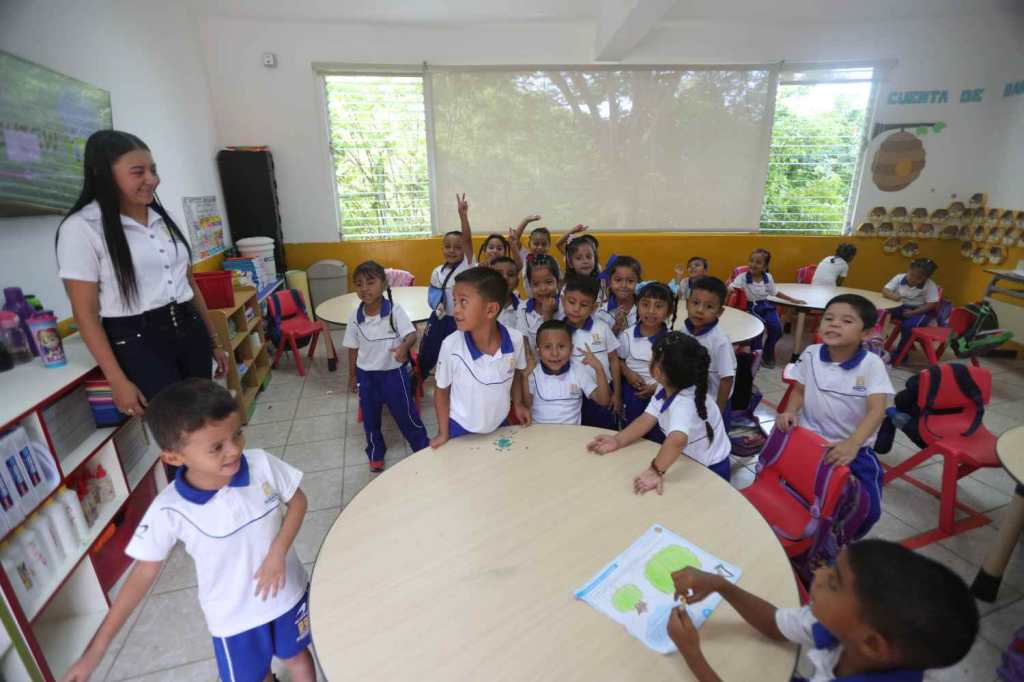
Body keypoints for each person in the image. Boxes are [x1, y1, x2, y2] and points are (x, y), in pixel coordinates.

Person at [60, 379, 315, 682]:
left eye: (237, 434)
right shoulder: (169, 509)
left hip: (288, 595)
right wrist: (96, 651)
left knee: (297, 656)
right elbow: (142, 575)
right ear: (173, 458)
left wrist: (278, 551)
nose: (235, 450)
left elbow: (298, 502)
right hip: (234, 619)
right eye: (217, 447)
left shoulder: (261, 464)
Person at [55, 130, 227, 419]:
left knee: (206, 418)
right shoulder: (82, 228)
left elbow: (189, 284)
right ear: (104, 174)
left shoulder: (163, 218)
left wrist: (214, 342)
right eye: (138, 172)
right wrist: (117, 380)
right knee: (174, 427)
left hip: (189, 327)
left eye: (153, 170)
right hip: (139, 342)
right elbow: (85, 315)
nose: (152, 179)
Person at [667, 539, 978, 682]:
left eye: (834, 583)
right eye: (831, 567)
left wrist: (693, 655)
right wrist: (722, 585)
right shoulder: (851, 628)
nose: (817, 574)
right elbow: (775, 624)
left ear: (872, 644)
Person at [777, 294, 894, 539]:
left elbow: (877, 410)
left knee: (869, 511)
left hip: (854, 449)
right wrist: (790, 411)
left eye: (847, 321)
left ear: (866, 333)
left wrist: (853, 443)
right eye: (829, 318)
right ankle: (806, 533)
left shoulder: (871, 364)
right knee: (799, 493)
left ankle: (841, 539)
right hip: (810, 442)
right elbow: (799, 390)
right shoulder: (811, 353)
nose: (834, 324)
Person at [587, 332, 731, 486]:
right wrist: (618, 440)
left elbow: (677, 440)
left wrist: (655, 471)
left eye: (652, 357)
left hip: (710, 470)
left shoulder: (683, 403)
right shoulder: (665, 386)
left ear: (657, 371)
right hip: (688, 460)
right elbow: (647, 418)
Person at [343, 261, 429, 472]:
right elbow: (352, 348)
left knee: (406, 414)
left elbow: (411, 335)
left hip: (393, 374)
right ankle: (375, 451)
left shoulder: (394, 311)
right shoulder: (355, 317)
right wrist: (352, 375)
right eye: (359, 284)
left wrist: (403, 347)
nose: (364, 289)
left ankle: (421, 446)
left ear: (383, 284)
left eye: (370, 282)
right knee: (370, 418)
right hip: (366, 376)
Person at [430, 267, 529, 448]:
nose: (455, 310)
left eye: (463, 302)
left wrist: (518, 404)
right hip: (460, 427)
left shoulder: (515, 340)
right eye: (455, 301)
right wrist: (443, 433)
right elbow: (441, 392)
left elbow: (516, 373)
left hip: (499, 423)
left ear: (490, 310)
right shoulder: (450, 346)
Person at [418, 193, 474, 377]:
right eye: (448, 246)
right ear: (442, 248)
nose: (452, 251)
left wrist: (463, 216)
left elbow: (467, 240)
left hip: (460, 319)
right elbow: (434, 296)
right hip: (439, 318)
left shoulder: (467, 265)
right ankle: (420, 376)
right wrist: (437, 306)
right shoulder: (437, 271)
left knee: (458, 352)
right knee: (428, 349)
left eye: (457, 247)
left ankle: (457, 376)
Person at [562, 275, 621, 430]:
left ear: (593, 308)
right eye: (571, 302)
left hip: (603, 393)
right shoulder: (559, 331)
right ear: (562, 301)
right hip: (572, 397)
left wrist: (617, 393)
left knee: (603, 435)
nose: (576, 309)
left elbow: (614, 360)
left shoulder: (602, 328)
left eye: (584, 305)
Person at [524, 319, 610, 425]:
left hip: (571, 433)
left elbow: (603, 401)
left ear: (571, 349)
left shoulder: (578, 370)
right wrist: (524, 377)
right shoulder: (533, 373)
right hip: (540, 432)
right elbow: (527, 405)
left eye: (561, 346)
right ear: (538, 351)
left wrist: (599, 369)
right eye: (547, 347)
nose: (555, 353)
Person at [730, 248, 805, 368]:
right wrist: (728, 291)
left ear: (765, 266)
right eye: (751, 261)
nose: (753, 264)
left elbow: (775, 292)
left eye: (758, 262)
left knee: (777, 330)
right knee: (757, 331)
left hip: (766, 305)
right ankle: (756, 357)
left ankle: (767, 353)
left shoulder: (767, 277)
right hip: (751, 307)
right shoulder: (743, 277)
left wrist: (792, 300)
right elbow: (732, 288)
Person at [617, 282, 675, 439]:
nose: (651, 311)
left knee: (658, 435)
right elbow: (619, 360)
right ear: (637, 306)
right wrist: (628, 374)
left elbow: (674, 372)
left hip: (661, 394)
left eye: (658, 306)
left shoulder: (672, 340)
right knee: (631, 433)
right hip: (632, 394)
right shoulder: (627, 335)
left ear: (669, 311)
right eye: (645, 304)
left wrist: (656, 387)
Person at [682, 277, 736, 416]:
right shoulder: (685, 329)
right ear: (687, 304)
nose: (700, 310)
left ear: (719, 312)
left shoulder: (720, 341)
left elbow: (727, 379)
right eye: (695, 303)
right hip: (692, 398)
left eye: (709, 307)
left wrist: (718, 411)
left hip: (715, 402)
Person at [881, 258, 941, 359]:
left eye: (919, 278)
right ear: (909, 269)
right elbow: (885, 290)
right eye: (912, 275)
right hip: (900, 305)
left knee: (909, 327)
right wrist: (893, 296)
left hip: (920, 310)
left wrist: (914, 312)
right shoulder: (900, 277)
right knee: (881, 313)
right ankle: (876, 342)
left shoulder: (930, 285)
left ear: (927, 278)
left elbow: (932, 304)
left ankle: (900, 355)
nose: (913, 279)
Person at [516, 254, 563, 349]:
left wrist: (548, 316)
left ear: (557, 282)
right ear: (529, 285)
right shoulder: (523, 308)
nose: (543, 288)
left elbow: (555, 345)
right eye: (536, 284)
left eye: (548, 282)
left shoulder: (565, 306)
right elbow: (524, 343)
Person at [595, 255, 641, 336]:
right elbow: (601, 342)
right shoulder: (601, 312)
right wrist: (616, 326)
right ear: (610, 282)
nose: (624, 285)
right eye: (618, 280)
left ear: (638, 282)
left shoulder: (645, 309)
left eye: (630, 281)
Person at [489, 256, 522, 330]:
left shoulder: (524, 309)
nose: (505, 277)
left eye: (510, 274)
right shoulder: (480, 307)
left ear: (517, 282)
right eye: (499, 274)